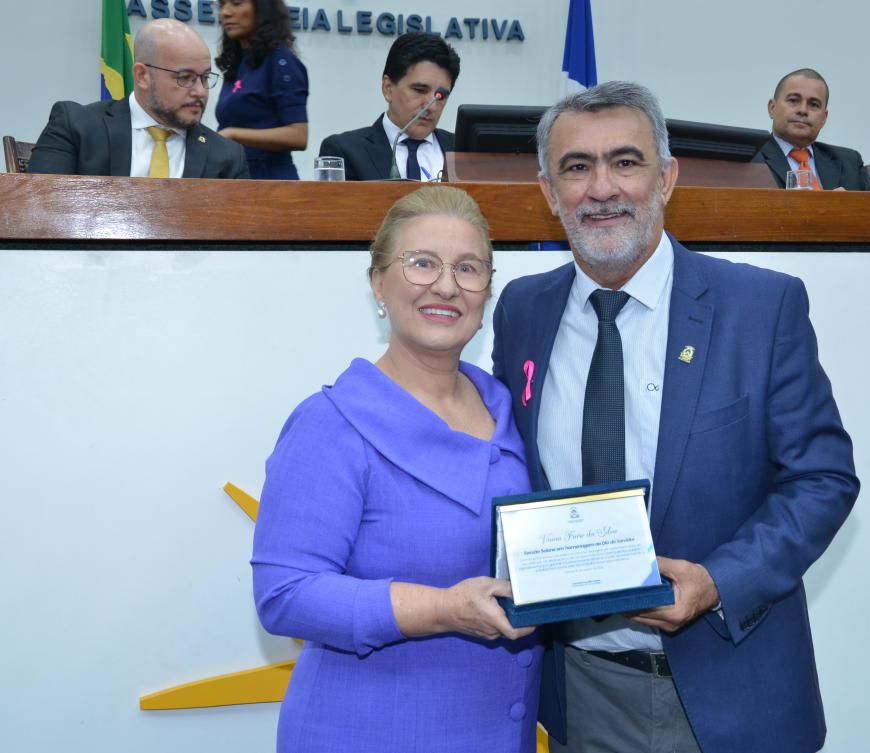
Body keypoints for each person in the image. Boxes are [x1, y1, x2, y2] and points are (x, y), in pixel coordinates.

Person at [491, 81, 859, 753]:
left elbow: (824, 479)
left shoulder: (760, 306)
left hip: (733, 691)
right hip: (581, 692)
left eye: (626, 161)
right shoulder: (522, 311)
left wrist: (718, 582)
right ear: (548, 191)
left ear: (666, 179)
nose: (602, 187)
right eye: (577, 167)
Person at [252, 185, 542, 753]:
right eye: (422, 263)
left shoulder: (510, 408)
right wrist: (444, 609)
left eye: (469, 268)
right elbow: (285, 593)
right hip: (366, 731)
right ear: (378, 282)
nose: (446, 285)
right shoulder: (332, 422)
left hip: (496, 731)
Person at [28, 19, 247, 179]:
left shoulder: (227, 155)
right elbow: (42, 212)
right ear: (142, 76)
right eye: (185, 77)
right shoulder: (76, 126)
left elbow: (240, 239)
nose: (200, 91)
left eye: (205, 77)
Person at [318, 32, 459, 181]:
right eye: (419, 90)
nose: (431, 106)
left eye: (441, 96)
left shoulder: (463, 152)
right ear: (388, 88)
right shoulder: (345, 151)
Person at [214, 0, 309, 180]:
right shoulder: (239, 63)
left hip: (270, 183)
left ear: (262, 8)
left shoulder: (281, 62)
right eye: (222, 5)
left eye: (236, 3)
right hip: (236, 177)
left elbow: (298, 135)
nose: (225, 12)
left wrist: (233, 134)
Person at [752, 68, 870, 191]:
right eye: (793, 100)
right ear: (772, 108)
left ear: (824, 118)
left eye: (813, 105)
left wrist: (845, 207)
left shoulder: (849, 162)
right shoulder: (751, 158)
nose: (803, 110)